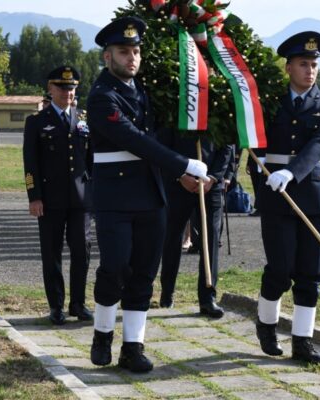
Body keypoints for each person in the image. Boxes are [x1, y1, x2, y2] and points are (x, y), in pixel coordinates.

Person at [87, 17, 209, 373]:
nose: (132, 58)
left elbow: (159, 136)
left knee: (143, 273)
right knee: (115, 268)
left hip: (151, 195)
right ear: (107, 56)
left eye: (136, 51)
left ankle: (133, 346)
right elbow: (134, 140)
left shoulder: (142, 92)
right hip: (115, 197)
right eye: (124, 51)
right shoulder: (101, 97)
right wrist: (182, 164)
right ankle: (102, 333)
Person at [254, 31, 320, 365]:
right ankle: (266, 325)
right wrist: (260, 169)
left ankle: (303, 342)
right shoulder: (267, 101)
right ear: (288, 67)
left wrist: (291, 172)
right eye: (303, 64)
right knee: (280, 270)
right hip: (276, 198)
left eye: (314, 64)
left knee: (311, 273)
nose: (310, 70)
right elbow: (254, 141)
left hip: (312, 195)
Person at [23, 66, 93, 326]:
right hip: (50, 200)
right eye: (63, 88)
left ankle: (78, 303)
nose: (68, 92)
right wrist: (34, 197)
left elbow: (91, 159)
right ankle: (56, 306)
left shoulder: (84, 118)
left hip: (81, 200)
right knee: (51, 253)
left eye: (72, 88)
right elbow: (30, 163)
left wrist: (93, 193)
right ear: (50, 89)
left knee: (81, 252)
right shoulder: (37, 122)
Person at [158, 130, 232, 318]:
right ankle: (167, 292)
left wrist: (213, 178)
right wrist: (180, 175)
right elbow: (164, 146)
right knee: (173, 236)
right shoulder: (176, 107)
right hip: (179, 182)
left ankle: (208, 298)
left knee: (211, 239)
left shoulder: (218, 108)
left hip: (210, 185)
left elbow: (227, 146)